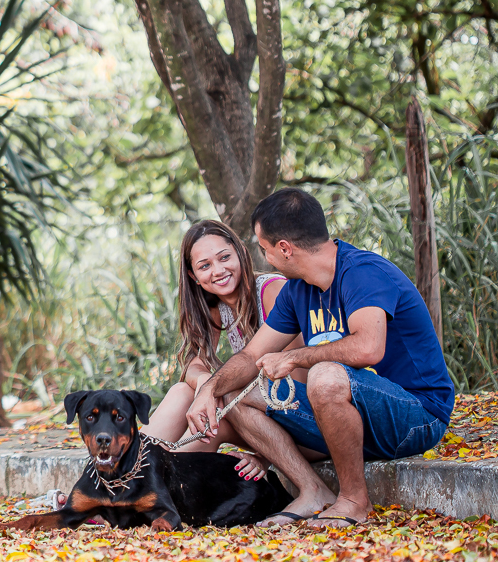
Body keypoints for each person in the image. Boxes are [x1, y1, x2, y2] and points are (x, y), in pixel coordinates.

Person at [186, 188, 454, 529]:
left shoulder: (363, 272)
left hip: (417, 415)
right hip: (354, 420)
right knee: (232, 392)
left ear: (284, 248)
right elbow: (252, 354)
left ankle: (354, 500)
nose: (266, 259)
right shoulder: (298, 289)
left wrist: (296, 357)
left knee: (325, 375)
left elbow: (369, 348)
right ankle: (313, 490)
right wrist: (208, 390)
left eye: (265, 249)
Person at [140, 219, 298, 480]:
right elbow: (193, 362)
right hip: (260, 417)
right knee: (184, 392)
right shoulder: (217, 306)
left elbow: (299, 381)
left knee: (225, 395)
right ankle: (118, 487)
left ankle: (137, 490)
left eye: (224, 257)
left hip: (301, 421)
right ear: (194, 276)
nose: (218, 270)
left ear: (241, 253)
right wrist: (205, 384)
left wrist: (267, 455)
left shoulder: (273, 290)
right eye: (205, 266)